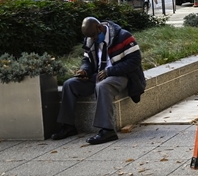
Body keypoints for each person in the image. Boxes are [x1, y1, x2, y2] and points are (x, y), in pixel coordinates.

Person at [52, 17, 147, 145]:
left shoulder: (123, 36)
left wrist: (109, 71)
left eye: (95, 36)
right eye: (90, 38)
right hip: (98, 74)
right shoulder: (90, 39)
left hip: (120, 76)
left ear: (99, 27)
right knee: (69, 84)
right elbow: (87, 61)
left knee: (103, 86)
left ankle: (107, 130)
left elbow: (134, 61)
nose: (94, 40)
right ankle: (68, 126)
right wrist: (84, 71)